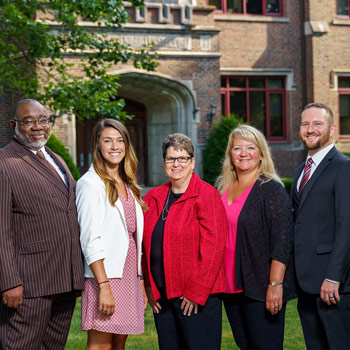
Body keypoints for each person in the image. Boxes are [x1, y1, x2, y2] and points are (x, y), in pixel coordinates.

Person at [0, 99, 84, 349]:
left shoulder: (56, 158)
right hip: (28, 283)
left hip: (64, 278)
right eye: (29, 121)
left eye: (43, 120)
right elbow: (1, 231)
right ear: (14, 124)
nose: (38, 126)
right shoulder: (4, 164)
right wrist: (9, 281)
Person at [142, 133, 227, 350]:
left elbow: (214, 248)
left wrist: (197, 292)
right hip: (163, 297)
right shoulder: (153, 197)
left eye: (182, 158)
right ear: (164, 162)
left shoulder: (206, 194)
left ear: (192, 162)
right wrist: (149, 286)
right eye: (171, 159)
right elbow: (143, 245)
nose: (176, 164)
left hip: (195, 298)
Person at [216, 125, 296, 350]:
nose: (243, 153)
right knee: (245, 345)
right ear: (230, 155)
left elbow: (282, 240)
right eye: (237, 148)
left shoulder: (271, 189)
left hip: (260, 286)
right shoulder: (224, 188)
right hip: (231, 286)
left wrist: (275, 284)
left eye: (250, 147)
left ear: (261, 154)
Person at [76, 119, 147, 350]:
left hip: (128, 275)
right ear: (97, 145)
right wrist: (104, 285)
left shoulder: (128, 182)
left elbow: (132, 236)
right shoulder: (89, 184)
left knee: (118, 344)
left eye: (120, 141)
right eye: (108, 141)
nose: (115, 146)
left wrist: (140, 280)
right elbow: (89, 239)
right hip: (104, 276)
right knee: (100, 344)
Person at [292, 103, 350, 349]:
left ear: (332, 129)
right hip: (306, 283)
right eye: (305, 124)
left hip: (332, 284)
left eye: (318, 124)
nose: (310, 129)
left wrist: (333, 277)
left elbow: (347, 226)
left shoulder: (344, 167)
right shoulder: (300, 170)